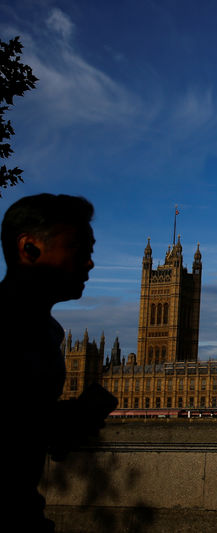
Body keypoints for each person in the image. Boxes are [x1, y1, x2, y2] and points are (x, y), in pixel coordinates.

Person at [0, 193, 116, 532]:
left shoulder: (45, 329)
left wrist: (67, 420)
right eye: (79, 248)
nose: (90, 263)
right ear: (30, 247)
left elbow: (19, 420)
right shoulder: (10, 325)